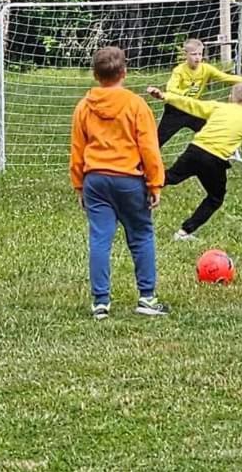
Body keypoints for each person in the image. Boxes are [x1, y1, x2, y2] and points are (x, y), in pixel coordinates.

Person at [70, 47, 168, 318]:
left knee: (100, 239)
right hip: (129, 180)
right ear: (124, 72)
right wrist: (155, 182)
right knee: (141, 235)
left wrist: (79, 184)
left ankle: (101, 302)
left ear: (95, 74)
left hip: (95, 180)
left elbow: (77, 149)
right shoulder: (136, 105)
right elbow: (149, 147)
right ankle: (147, 298)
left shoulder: (84, 107)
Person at [146, 82, 242, 240]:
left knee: (170, 177)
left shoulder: (219, 107)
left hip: (194, 150)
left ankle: (136, 189)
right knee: (215, 198)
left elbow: (191, 103)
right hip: (214, 161)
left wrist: (165, 96)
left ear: (229, 98)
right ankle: (184, 232)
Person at [157, 38, 242, 148]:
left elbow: (225, 77)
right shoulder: (179, 71)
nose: (197, 57)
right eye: (194, 54)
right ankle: (145, 160)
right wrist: (185, 93)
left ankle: (217, 154)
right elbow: (170, 89)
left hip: (193, 109)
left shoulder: (206, 69)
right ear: (186, 54)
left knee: (212, 132)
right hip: (175, 110)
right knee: (158, 140)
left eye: (200, 54)